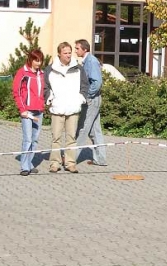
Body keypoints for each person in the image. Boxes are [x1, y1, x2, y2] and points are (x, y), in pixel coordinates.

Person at [44, 41, 89, 173]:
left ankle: (70, 163)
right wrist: (50, 98)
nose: (68, 55)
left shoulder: (78, 68)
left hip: (73, 109)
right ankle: (55, 163)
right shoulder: (50, 69)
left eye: (70, 52)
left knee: (71, 138)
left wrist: (81, 98)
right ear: (59, 54)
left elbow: (84, 85)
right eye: (65, 53)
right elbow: (46, 87)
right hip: (57, 109)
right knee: (56, 138)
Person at [74, 39, 107, 166]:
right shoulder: (87, 61)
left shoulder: (91, 61)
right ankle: (100, 159)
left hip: (92, 100)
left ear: (85, 49)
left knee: (83, 128)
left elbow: (97, 82)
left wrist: (87, 95)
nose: (75, 50)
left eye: (77, 48)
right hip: (93, 99)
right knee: (95, 130)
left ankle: (72, 159)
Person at [12, 49, 46, 176]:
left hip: (39, 110)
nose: (38, 63)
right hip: (27, 111)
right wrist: (23, 109)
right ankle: (24, 166)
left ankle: (30, 163)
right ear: (30, 60)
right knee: (27, 139)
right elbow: (16, 91)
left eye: (40, 60)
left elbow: (43, 90)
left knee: (35, 139)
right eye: (36, 60)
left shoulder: (41, 73)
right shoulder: (23, 73)